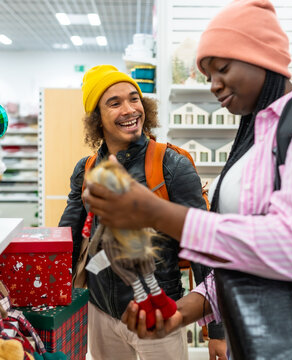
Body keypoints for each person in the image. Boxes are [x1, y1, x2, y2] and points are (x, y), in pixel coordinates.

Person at [83, 0, 292, 348]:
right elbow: (251, 257)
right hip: (259, 340)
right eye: (208, 75)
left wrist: (156, 212)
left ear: (262, 57)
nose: (213, 85)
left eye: (222, 68)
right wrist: (184, 312)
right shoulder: (256, 138)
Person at [58, 65, 227, 360]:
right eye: (115, 102)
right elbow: (67, 241)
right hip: (101, 314)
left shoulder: (172, 165)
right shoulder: (85, 170)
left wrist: (217, 331)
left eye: (134, 99)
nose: (129, 109)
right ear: (97, 118)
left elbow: (203, 247)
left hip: (159, 316)